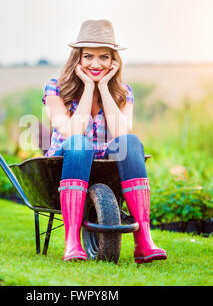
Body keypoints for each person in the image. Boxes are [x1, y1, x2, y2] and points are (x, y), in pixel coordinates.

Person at [41, 19, 167, 264]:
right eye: (88, 56)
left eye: (104, 57)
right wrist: (88, 87)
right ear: (77, 58)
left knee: (131, 142)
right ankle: (72, 242)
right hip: (69, 164)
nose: (96, 64)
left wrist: (106, 89)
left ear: (114, 61)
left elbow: (121, 135)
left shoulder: (123, 92)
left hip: (109, 166)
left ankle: (144, 242)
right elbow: (72, 131)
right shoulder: (55, 89)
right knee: (80, 143)